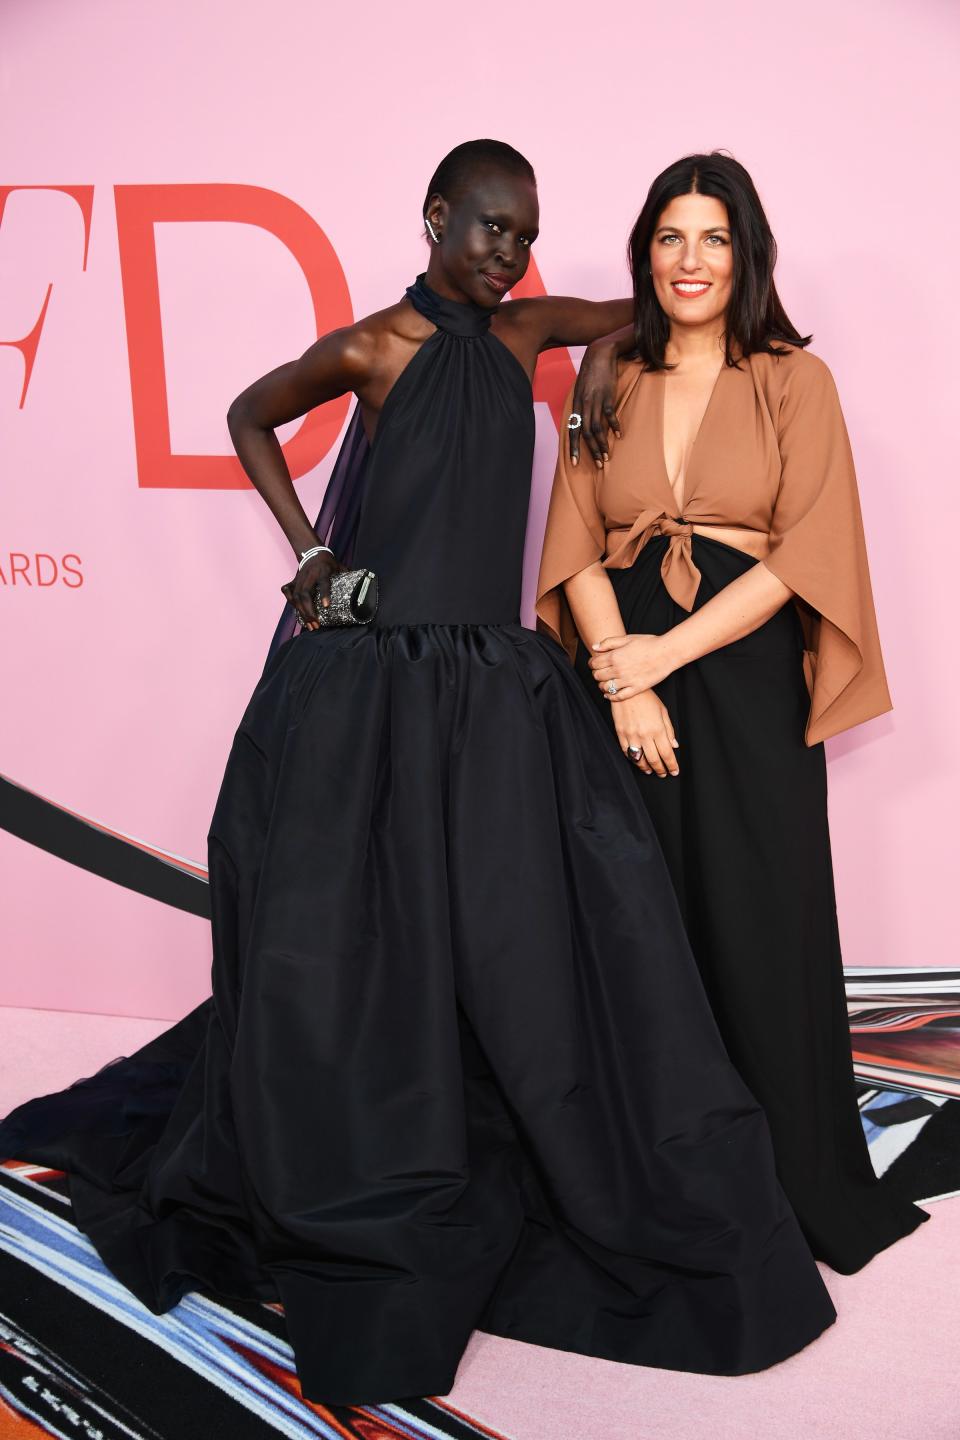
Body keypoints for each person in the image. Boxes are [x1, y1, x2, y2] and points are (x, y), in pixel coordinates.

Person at [0, 140, 836, 1405]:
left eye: (524, 234)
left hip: (494, 688)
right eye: (489, 228)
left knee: (509, 935)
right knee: (351, 935)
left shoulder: (530, 332)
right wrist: (306, 549)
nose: (507, 253)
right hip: (370, 679)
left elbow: (652, 310)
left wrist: (675, 314)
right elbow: (248, 414)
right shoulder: (371, 345)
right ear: (437, 217)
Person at [536, 150, 929, 1275]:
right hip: (623, 682)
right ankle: (661, 1175)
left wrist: (671, 652)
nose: (689, 260)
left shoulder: (793, 379)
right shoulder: (604, 375)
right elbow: (574, 542)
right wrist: (628, 673)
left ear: (746, 253)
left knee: (763, 916)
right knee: (639, 926)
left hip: (744, 671)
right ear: (644, 253)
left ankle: (789, 1181)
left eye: (712, 237)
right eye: (669, 237)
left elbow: (808, 551)